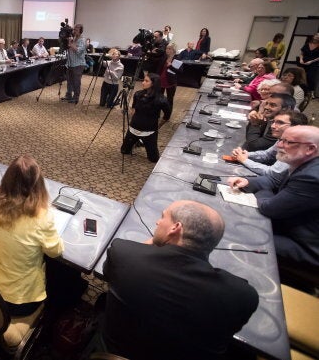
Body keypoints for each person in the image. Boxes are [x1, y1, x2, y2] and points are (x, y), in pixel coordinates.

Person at [100, 200, 259, 360]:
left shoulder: (123, 253)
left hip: (117, 352)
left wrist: (152, 245)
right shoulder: (244, 296)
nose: (157, 222)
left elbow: (108, 273)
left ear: (175, 228)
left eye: (163, 217)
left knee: (102, 301)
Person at [0, 154, 64, 316]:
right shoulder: (43, 217)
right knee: (62, 272)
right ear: (38, 184)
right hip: (18, 301)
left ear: (7, 178)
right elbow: (55, 252)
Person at [228, 125, 319, 266]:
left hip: (304, 246)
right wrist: (248, 182)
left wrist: (261, 191)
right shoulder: (302, 161)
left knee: (236, 234)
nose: (280, 146)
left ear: (310, 149)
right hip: (288, 225)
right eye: (281, 140)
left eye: (288, 142)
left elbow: (269, 208)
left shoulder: (311, 177)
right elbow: (273, 180)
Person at [231, 111, 308, 176]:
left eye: (280, 123)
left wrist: (244, 160)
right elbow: (267, 155)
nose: (273, 126)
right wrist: (246, 155)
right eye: (273, 122)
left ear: (296, 127)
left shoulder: (296, 146)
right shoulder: (283, 139)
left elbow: (272, 172)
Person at [120, 73, 170, 162]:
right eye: (143, 80)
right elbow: (134, 110)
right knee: (124, 151)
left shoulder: (162, 100)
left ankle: (141, 141)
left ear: (154, 84)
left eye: (146, 81)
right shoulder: (138, 94)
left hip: (149, 132)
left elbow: (166, 116)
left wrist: (157, 127)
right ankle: (137, 141)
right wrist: (132, 119)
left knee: (154, 159)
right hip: (133, 129)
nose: (143, 83)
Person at [61, 24, 86, 104]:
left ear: (80, 31)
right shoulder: (74, 38)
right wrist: (68, 41)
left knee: (76, 82)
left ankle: (76, 98)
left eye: (76, 29)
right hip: (70, 63)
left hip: (78, 64)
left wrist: (71, 43)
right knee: (69, 81)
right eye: (74, 29)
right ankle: (68, 95)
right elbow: (68, 47)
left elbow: (78, 51)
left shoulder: (82, 40)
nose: (74, 31)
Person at [158, 43, 180, 114]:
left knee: (169, 99)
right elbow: (159, 69)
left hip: (170, 82)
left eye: (169, 48)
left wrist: (171, 66)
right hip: (161, 81)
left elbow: (180, 71)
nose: (167, 50)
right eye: (167, 48)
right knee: (158, 98)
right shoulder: (164, 57)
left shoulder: (177, 59)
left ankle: (167, 115)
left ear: (173, 50)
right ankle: (157, 112)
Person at [299, 33, 319, 97]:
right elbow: (302, 53)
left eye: (318, 36)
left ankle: (311, 92)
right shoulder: (307, 44)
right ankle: (301, 90)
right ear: (314, 36)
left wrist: (311, 61)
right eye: (316, 35)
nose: (317, 37)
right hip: (304, 62)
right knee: (301, 76)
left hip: (314, 63)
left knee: (310, 77)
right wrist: (301, 59)